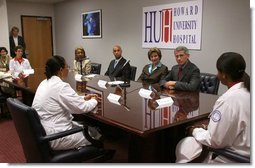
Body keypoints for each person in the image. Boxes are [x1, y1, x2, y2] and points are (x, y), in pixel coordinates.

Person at [175, 52, 250, 163]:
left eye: (218, 71)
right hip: (245, 151)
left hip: (230, 158)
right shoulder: (247, 91)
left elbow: (214, 141)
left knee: (186, 144)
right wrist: (207, 127)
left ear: (224, 74)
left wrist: (194, 130)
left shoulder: (228, 100)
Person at [32, 55, 101, 150]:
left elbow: (69, 100)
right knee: (94, 135)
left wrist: (84, 98)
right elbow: (82, 108)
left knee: (92, 130)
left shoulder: (44, 83)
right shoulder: (61, 86)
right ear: (61, 70)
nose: (68, 69)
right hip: (55, 136)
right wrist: (94, 100)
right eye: (67, 67)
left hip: (42, 131)